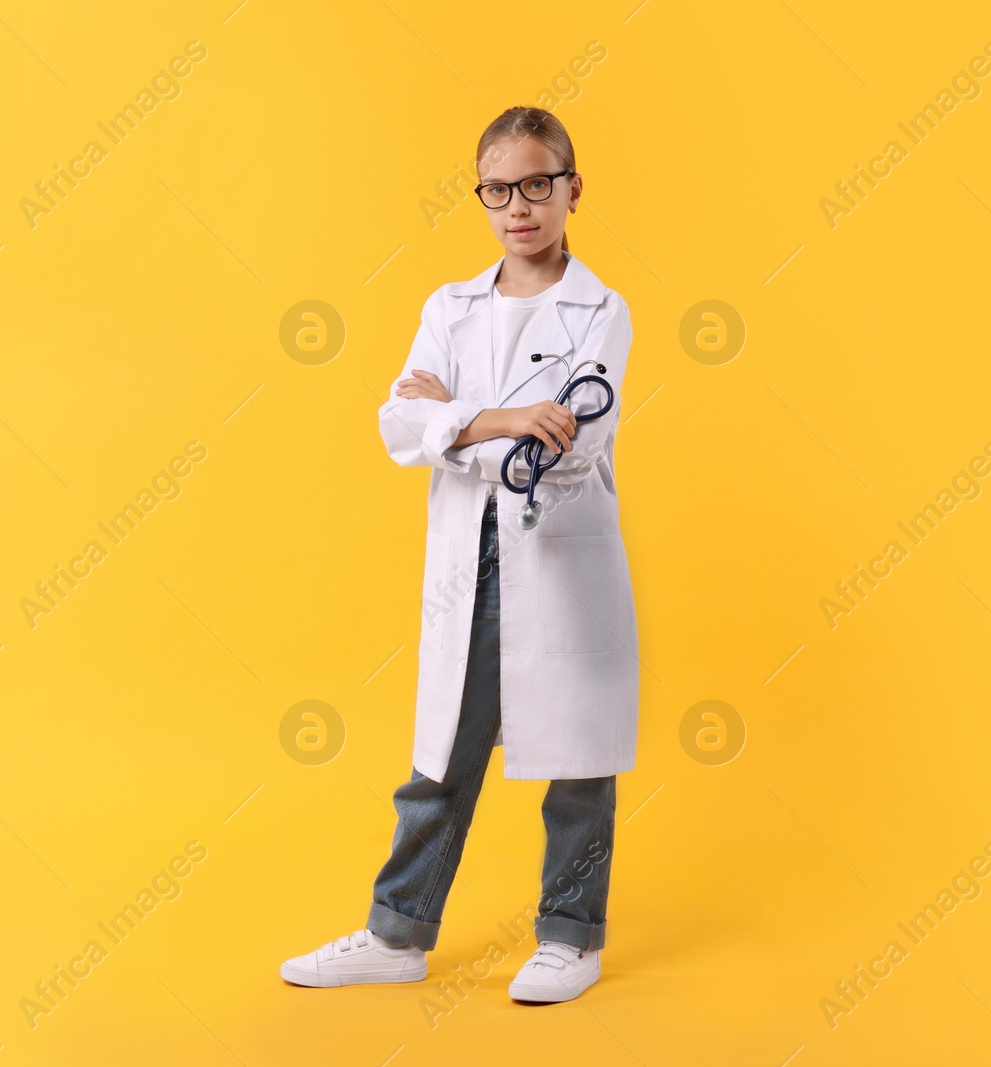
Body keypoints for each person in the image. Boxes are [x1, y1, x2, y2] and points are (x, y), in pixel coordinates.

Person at [281, 106, 638, 1004]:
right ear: (480, 196)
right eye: (496, 189)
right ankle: (397, 933)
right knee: (441, 755)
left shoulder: (604, 310)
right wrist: (508, 418)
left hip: (563, 560)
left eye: (535, 184)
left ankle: (570, 936)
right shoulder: (450, 306)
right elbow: (398, 425)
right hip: (469, 562)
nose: (516, 205)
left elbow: (572, 446)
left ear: (571, 188)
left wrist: (459, 424)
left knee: (580, 761)